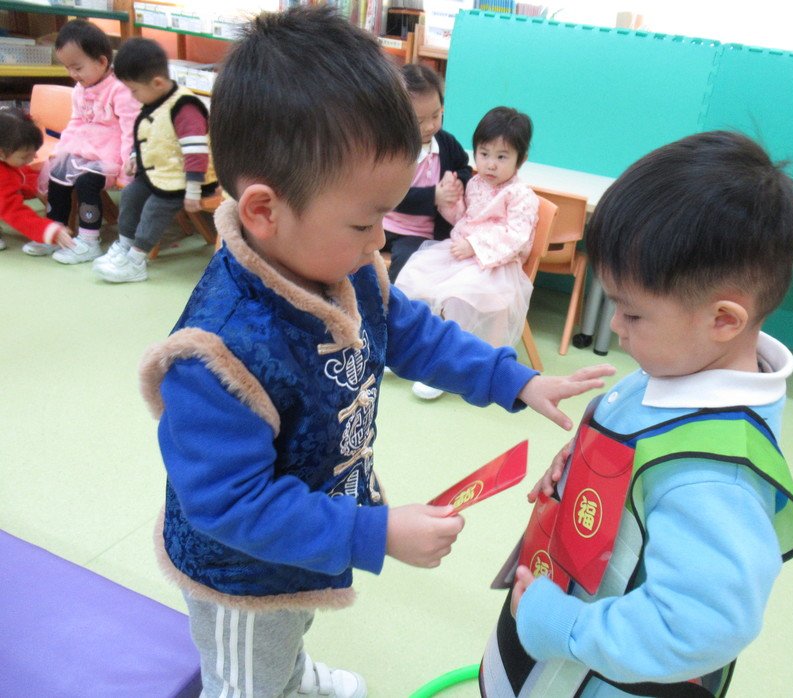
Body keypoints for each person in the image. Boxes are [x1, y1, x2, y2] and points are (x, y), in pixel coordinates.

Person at [137, 8, 614, 698]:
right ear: (265, 211)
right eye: (365, 222)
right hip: (241, 575)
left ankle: (292, 675)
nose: (380, 242)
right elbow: (232, 506)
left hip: (304, 544)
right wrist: (377, 532)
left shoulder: (341, 260)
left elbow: (408, 332)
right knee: (246, 673)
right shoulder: (217, 353)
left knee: (291, 623)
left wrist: (511, 379)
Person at [480, 130, 793, 697]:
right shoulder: (684, 363)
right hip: (557, 619)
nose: (615, 326)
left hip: (594, 668)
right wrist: (580, 461)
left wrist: (562, 626)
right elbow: (640, 441)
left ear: (723, 319)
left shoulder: (716, 479)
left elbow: (696, 629)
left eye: (632, 314)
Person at [395, 106, 539, 401]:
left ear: (521, 160)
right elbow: (464, 218)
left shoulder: (522, 195)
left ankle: (446, 369)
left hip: (494, 264)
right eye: (484, 154)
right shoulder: (475, 183)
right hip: (460, 254)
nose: (490, 164)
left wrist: (474, 245)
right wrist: (449, 201)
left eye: (502, 157)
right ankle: (405, 348)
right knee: (413, 276)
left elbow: (516, 237)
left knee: (457, 296)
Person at [92, 37, 217, 283]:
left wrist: (193, 189)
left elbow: (197, 152)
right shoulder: (154, 100)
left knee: (154, 206)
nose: (132, 97)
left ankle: (136, 260)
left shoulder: (185, 108)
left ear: (157, 82)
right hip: (162, 173)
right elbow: (149, 135)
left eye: (134, 91)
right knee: (131, 194)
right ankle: (125, 247)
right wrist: (134, 156)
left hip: (191, 178)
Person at [25, 19, 138, 263]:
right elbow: (75, 122)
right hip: (81, 149)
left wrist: (128, 165)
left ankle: (89, 240)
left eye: (77, 67)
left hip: (109, 156)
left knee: (87, 183)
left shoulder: (120, 89)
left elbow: (131, 130)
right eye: (68, 68)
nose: (72, 74)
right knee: (57, 176)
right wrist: (62, 150)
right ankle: (56, 232)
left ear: (102, 62)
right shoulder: (80, 88)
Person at [381, 63, 471, 283]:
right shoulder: (394, 148)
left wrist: (458, 181)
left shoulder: (446, 143)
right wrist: (433, 196)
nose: (430, 126)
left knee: (408, 264)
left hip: (419, 233)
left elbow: (464, 167)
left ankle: (394, 301)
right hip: (382, 224)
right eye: (419, 121)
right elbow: (387, 194)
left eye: (436, 115)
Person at [0, 107, 74, 252]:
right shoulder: (3, 175)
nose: (32, 159)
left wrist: (37, 189)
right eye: (25, 156)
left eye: (34, 153)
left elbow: (22, 177)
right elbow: (13, 211)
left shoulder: (9, 159)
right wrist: (48, 230)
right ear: (1, 153)